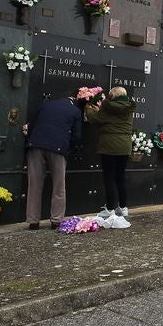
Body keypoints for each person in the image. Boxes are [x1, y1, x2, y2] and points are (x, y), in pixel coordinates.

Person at [23, 92, 82, 230]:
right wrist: (69, 148)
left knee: (34, 185)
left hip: (35, 145)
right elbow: (77, 136)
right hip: (58, 148)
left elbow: (31, 125)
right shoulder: (75, 110)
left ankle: (33, 221)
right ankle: (56, 220)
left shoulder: (46, 104)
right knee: (59, 186)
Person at [85, 86, 135, 228]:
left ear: (112, 96)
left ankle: (110, 208)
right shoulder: (129, 107)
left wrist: (89, 107)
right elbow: (112, 120)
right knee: (120, 176)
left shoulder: (108, 106)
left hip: (109, 146)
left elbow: (96, 120)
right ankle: (123, 207)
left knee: (109, 177)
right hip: (125, 146)